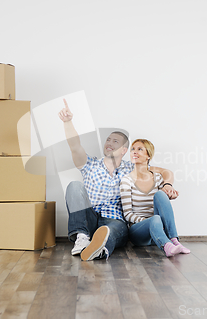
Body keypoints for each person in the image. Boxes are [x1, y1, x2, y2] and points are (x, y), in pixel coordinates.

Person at [58, 99, 178, 261]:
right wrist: (68, 122)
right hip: (89, 217)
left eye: (116, 141)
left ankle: (99, 250)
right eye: (108, 140)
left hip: (114, 220)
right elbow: (75, 146)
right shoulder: (90, 164)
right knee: (74, 186)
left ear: (123, 150)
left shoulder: (133, 168)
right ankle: (82, 237)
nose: (110, 143)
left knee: (112, 232)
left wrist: (168, 184)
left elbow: (165, 172)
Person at [120, 139, 190, 257]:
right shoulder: (126, 180)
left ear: (148, 156)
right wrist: (150, 222)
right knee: (155, 219)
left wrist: (170, 193)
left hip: (159, 230)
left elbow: (167, 176)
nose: (134, 152)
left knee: (160, 194)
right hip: (138, 232)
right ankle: (166, 246)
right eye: (133, 149)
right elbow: (127, 214)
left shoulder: (157, 178)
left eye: (139, 149)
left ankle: (174, 240)